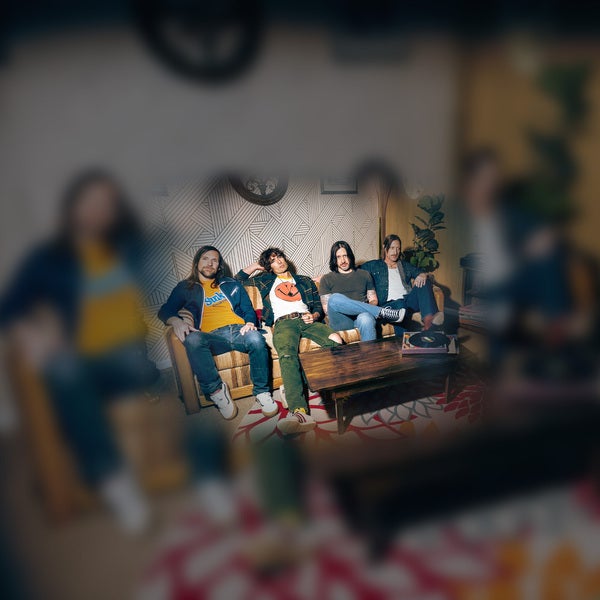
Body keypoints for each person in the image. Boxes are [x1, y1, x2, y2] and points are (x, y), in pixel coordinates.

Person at [0, 170, 158, 533]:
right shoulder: (49, 259)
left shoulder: (131, 247)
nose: (100, 210)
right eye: (92, 200)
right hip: (84, 361)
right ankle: (114, 481)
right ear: (73, 205)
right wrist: (31, 332)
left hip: (136, 358)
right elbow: (8, 307)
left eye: (109, 203)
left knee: (125, 361)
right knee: (63, 368)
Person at [158, 246, 277, 420]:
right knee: (192, 339)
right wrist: (176, 321)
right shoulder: (185, 288)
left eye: (214, 260)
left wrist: (250, 323)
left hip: (239, 330)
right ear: (197, 262)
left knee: (256, 338)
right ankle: (217, 391)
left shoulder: (231, 283)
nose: (209, 263)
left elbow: (247, 309)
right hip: (212, 336)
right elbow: (165, 310)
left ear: (219, 266)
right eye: (205, 259)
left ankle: (262, 392)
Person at [237, 248, 343, 434]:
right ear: (268, 266)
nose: (278, 261)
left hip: (306, 319)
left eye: (280, 257)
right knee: (287, 356)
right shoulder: (265, 280)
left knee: (337, 341)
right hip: (283, 323)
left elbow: (317, 307)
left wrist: (314, 315)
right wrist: (257, 266)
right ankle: (299, 412)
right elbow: (237, 281)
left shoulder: (304, 280)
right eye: (273, 260)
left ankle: (304, 385)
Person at [319, 240, 406, 341]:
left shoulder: (364, 274)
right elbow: (327, 311)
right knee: (334, 298)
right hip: (341, 319)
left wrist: (362, 309)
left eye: (345, 255)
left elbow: (373, 300)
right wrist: (353, 308)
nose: (342, 260)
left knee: (367, 319)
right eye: (338, 257)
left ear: (350, 256)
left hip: (361, 316)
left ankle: (370, 352)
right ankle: (381, 312)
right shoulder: (326, 279)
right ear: (334, 259)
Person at [361, 234, 442, 337]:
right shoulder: (373, 265)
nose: (395, 252)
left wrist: (422, 275)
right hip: (389, 306)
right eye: (392, 248)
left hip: (407, 301)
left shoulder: (404, 265)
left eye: (398, 248)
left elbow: (420, 272)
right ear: (384, 247)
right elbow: (355, 271)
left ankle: (428, 324)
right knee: (400, 305)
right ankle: (402, 341)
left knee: (424, 282)